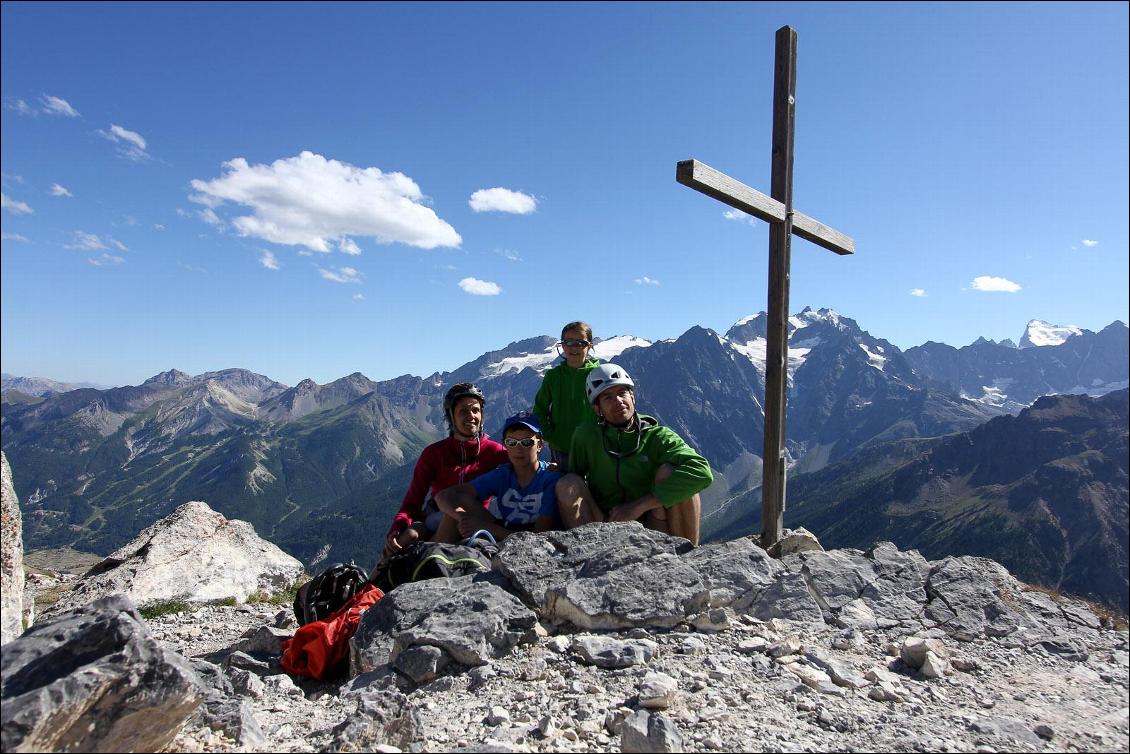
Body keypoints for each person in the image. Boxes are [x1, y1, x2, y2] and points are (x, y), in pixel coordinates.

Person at [557, 363, 712, 545]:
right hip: (606, 524)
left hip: (653, 523)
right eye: (607, 397)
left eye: (622, 393)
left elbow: (702, 471)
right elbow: (575, 478)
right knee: (567, 483)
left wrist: (639, 506)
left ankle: (686, 554)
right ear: (597, 408)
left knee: (672, 473)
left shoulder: (658, 437)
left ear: (632, 396)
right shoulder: (586, 436)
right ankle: (587, 552)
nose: (618, 401)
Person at [381, 383, 508, 560]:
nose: (471, 416)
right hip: (433, 519)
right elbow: (411, 504)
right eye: (463, 411)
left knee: (451, 519)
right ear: (451, 417)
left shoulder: (496, 453)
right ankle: (370, 586)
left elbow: (525, 465)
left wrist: (547, 468)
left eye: (475, 410)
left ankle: (427, 564)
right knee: (407, 537)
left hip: (471, 522)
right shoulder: (434, 454)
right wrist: (397, 528)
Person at [434, 412, 562, 542]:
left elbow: (538, 538)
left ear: (539, 445)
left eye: (527, 442)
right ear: (505, 445)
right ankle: (435, 558)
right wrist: (462, 517)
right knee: (458, 503)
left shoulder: (550, 477)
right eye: (512, 442)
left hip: (535, 540)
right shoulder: (502, 475)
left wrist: (485, 527)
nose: (519, 449)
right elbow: (444, 495)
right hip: (504, 530)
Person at [532, 320, 600, 471]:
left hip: (594, 446)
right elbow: (539, 409)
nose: (574, 347)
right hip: (561, 447)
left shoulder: (598, 374)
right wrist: (550, 435)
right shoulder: (553, 376)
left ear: (589, 345)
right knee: (563, 487)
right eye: (569, 342)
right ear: (562, 345)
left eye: (580, 343)